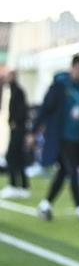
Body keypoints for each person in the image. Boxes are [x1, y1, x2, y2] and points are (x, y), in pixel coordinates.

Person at [35, 55, 79, 223]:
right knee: (73, 172)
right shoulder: (60, 86)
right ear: (72, 67)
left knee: (63, 172)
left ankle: (45, 205)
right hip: (61, 137)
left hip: (78, 138)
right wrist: (34, 130)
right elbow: (45, 108)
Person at [3, 67, 30, 198]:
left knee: (11, 157)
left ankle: (14, 185)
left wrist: (15, 122)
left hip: (18, 130)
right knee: (18, 159)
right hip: (17, 129)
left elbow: (22, 111)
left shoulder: (18, 91)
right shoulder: (12, 90)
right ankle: (23, 187)